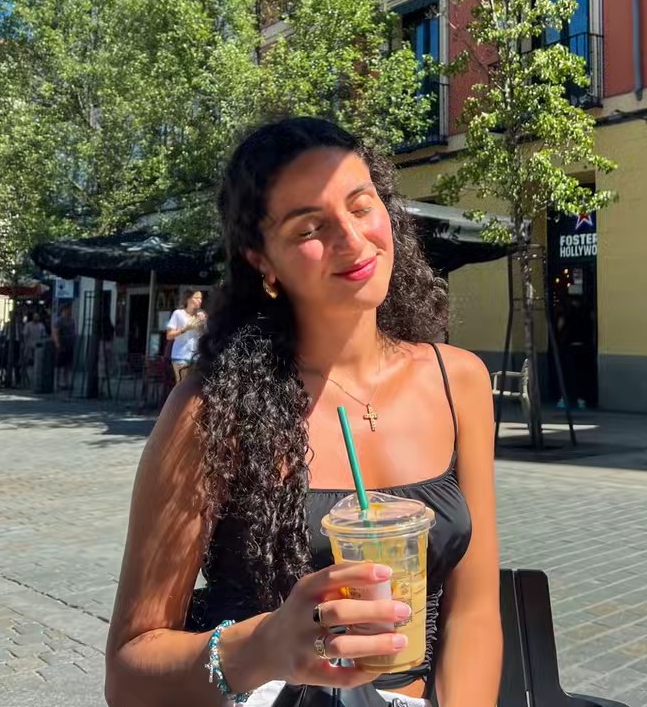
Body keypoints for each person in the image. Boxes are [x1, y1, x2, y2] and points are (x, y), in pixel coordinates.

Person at [106, 118, 501, 707]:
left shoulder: (458, 380)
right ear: (263, 261)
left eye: (361, 206)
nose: (353, 239)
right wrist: (265, 645)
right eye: (310, 227)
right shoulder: (212, 410)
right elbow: (129, 672)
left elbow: (474, 610)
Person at [165, 289, 205, 383]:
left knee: (194, 386)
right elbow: (169, 335)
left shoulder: (200, 315)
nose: (200, 300)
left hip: (196, 357)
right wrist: (185, 329)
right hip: (181, 356)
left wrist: (203, 324)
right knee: (181, 384)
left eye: (201, 298)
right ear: (188, 299)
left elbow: (203, 335)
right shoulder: (178, 314)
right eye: (196, 298)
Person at [52, 304, 76, 390]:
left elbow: (73, 332)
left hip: (69, 345)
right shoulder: (59, 321)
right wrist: (57, 343)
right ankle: (57, 382)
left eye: (69, 310)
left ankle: (65, 382)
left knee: (67, 365)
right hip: (61, 345)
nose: (69, 311)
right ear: (63, 311)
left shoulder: (71, 321)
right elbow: (55, 332)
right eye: (67, 310)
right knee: (59, 365)